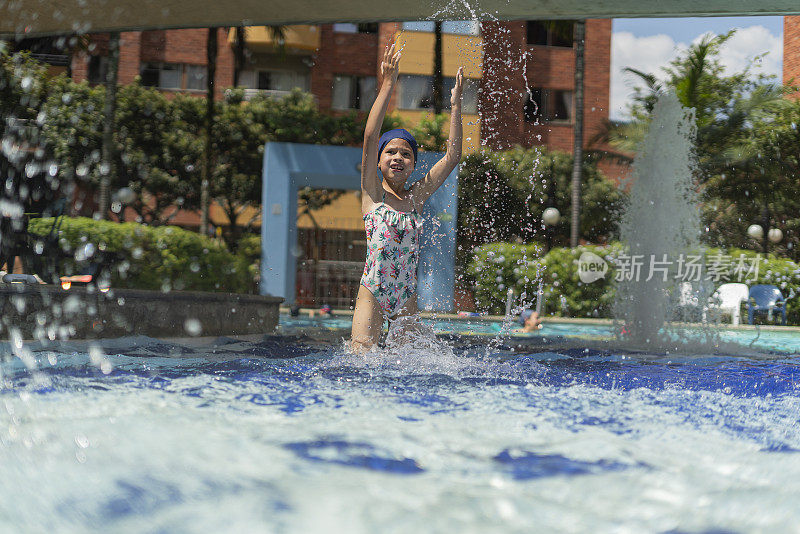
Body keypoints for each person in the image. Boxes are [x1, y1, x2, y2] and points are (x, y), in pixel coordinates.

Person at [350, 41, 464, 352]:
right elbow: (371, 135)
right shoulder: (372, 193)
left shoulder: (416, 198)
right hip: (373, 289)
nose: (397, 157)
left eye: (406, 154)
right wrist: (389, 82)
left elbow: (453, 156)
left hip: (406, 292)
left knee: (407, 364)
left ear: (414, 164)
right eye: (390, 152)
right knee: (361, 357)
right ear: (378, 159)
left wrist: (455, 107)